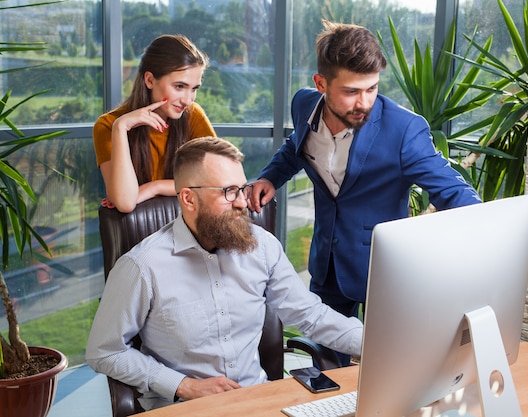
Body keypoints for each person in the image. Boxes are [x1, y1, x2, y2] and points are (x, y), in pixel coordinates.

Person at [249, 20, 481, 364]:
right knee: (328, 370)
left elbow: (452, 191)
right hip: (327, 265)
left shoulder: (404, 130)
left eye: (371, 88)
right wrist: (270, 177)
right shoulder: (303, 105)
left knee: (391, 366)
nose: (364, 102)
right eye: (351, 91)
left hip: (385, 276)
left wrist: (484, 230)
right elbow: (294, 147)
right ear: (321, 84)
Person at [86, 136, 363, 410]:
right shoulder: (142, 266)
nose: (242, 202)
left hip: (257, 401)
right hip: (184, 407)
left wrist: (378, 344)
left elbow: (310, 315)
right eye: (229, 191)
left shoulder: (262, 246)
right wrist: (185, 385)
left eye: (242, 189)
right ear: (189, 199)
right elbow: (105, 351)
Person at [93, 34, 217, 213]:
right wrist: (121, 128)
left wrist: (154, 188)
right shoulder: (109, 125)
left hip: (188, 227)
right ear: (150, 80)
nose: (187, 101)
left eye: (194, 89)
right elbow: (125, 202)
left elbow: (219, 181)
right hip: (140, 237)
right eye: (179, 87)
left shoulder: (192, 115)